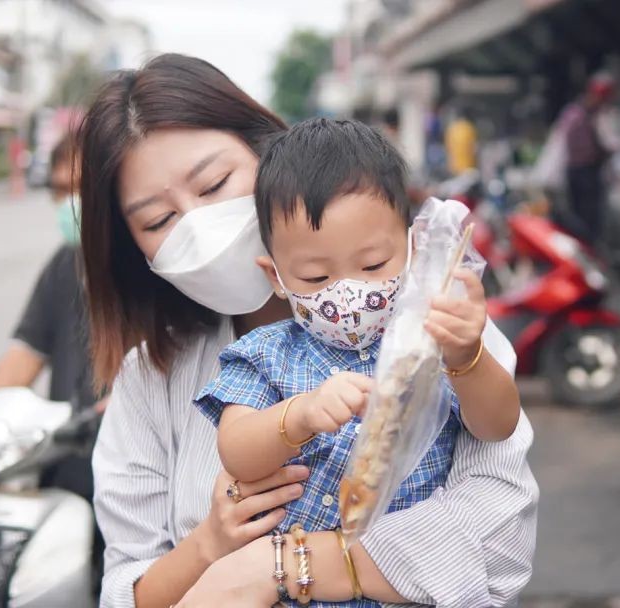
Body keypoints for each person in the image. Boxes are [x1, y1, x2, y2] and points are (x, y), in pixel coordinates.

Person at [79, 54, 537, 608]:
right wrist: (208, 545)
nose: (198, 227)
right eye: (157, 221)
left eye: (216, 183)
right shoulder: (154, 376)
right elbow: (125, 590)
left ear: (266, 152)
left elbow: (499, 541)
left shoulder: (437, 325)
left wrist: (276, 567)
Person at [193, 120, 521, 607]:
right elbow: (237, 451)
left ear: (412, 249)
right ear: (276, 277)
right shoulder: (266, 353)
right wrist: (299, 416)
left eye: (372, 266)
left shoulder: (427, 342)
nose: (348, 291)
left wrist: (466, 356)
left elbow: (497, 425)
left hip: (402, 589)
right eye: (315, 274)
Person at [0, 130, 107, 579]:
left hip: (126, 492)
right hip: (62, 480)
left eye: (81, 188)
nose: (69, 202)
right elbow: (23, 358)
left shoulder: (148, 271)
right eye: (59, 189)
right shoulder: (64, 264)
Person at [552, 74, 617, 246]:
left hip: (587, 171)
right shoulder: (578, 115)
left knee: (591, 220)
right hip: (582, 172)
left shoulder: (587, 114)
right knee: (584, 220)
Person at [444, 105, 478, 176]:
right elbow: (474, 149)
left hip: (454, 167)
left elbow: (448, 150)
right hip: (468, 167)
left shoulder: (452, 129)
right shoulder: (469, 128)